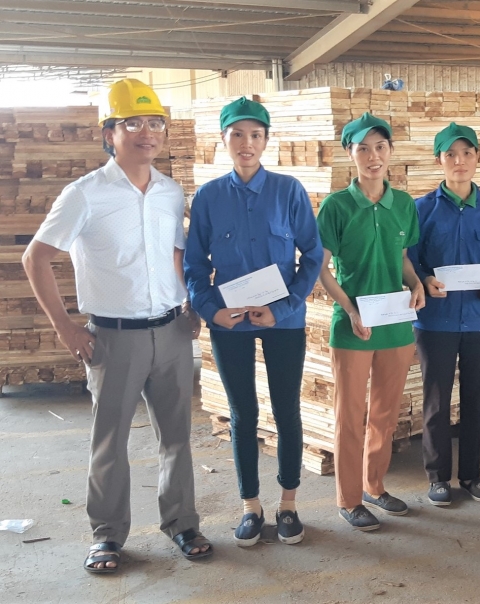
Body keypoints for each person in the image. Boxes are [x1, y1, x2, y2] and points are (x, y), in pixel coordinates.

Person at [22, 79, 211, 573]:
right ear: (110, 134)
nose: (147, 132)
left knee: (177, 437)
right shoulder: (84, 194)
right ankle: (106, 535)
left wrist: (190, 304)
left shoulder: (170, 192)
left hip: (172, 332)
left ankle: (182, 523)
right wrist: (66, 328)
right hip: (113, 337)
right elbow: (35, 258)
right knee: (110, 441)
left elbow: (176, 256)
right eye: (133, 123)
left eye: (155, 123)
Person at [184, 97, 323, 545]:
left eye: (256, 135)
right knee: (243, 413)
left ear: (266, 141)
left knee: (286, 409)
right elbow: (193, 264)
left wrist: (283, 307)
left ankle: (288, 504)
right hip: (230, 323)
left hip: (283, 320)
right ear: (223, 140)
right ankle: (250, 507)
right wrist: (211, 310)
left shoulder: (288, 191)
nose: (247, 143)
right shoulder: (209, 197)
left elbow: (313, 255)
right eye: (238, 135)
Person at [315, 112, 425, 530]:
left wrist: (416, 284)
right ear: (351, 154)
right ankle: (348, 498)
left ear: (390, 151)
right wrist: (350, 309)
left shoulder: (404, 205)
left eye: (380, 147)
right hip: (353, 327)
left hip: (395, 324)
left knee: (385, 413)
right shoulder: (336, 206)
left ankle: (374, 486)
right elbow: (321, 268)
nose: (373, 156)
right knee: (350, 415)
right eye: (363, 148)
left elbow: (402, 258)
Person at [408, 123, 480, 506]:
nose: (459, 161)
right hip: (436, 319)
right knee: (436, 402)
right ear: (439, 160)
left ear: (478, 157)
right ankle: (438, 477)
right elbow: (409, 261)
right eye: (450, 154)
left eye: (467, 153)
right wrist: (423, 280)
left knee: (475, 401)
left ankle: (472, 474)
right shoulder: (421, 210)